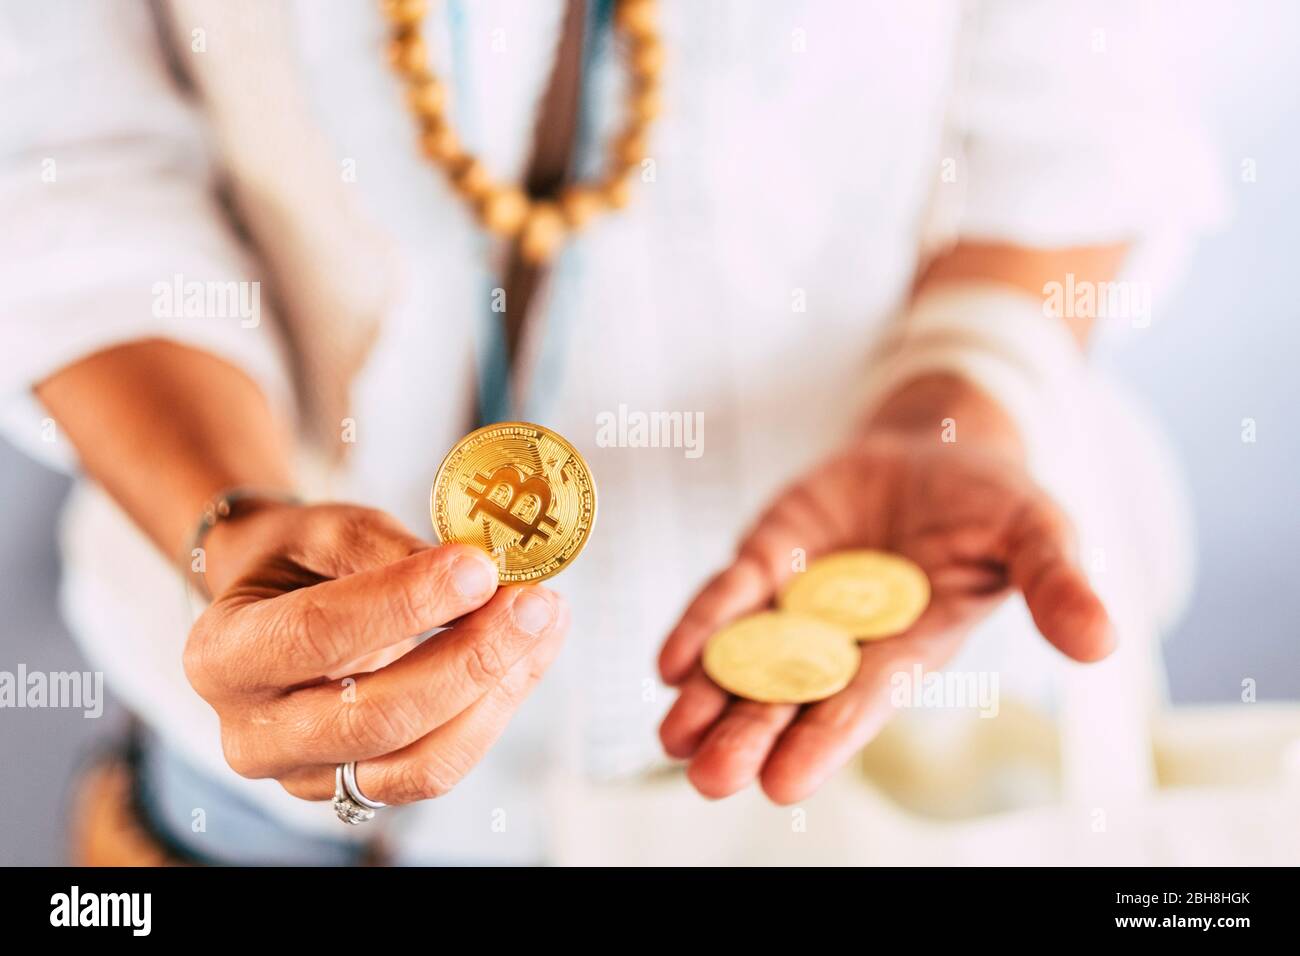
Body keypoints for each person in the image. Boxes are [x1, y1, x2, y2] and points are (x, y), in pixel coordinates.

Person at [1, 0, 1220, 865]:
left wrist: (956, 397)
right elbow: (64, 163)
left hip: (875, 759)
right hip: (264, 781)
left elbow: (1078, 138)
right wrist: (230, 518)